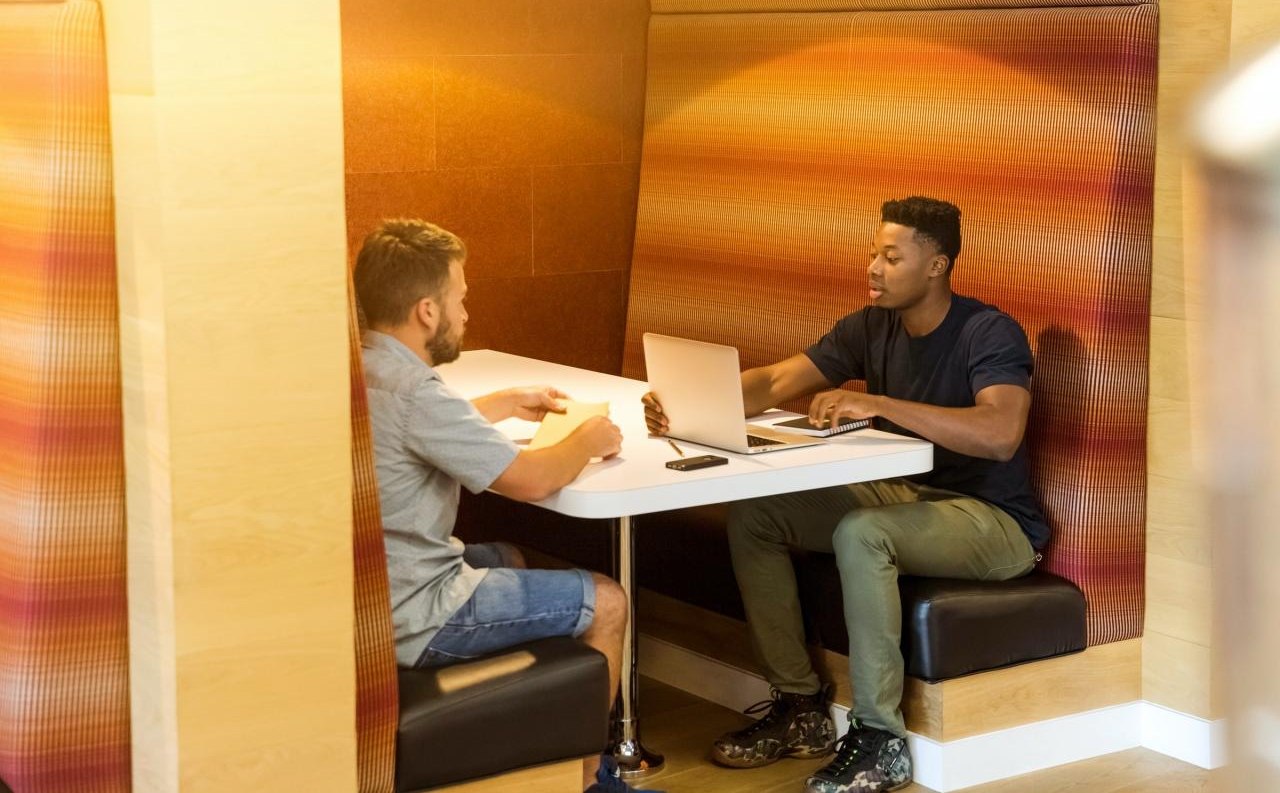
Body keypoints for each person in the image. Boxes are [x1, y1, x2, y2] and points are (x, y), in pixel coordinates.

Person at [642, 196, 1050, 793]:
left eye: (891, 256)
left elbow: (999, 433)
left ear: (936, 265)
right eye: (873, 253)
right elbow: (779, 379)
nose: (873, 268)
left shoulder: (987, 332)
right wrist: (689, 400)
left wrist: (880, 404)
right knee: (759, 516)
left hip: (992, 521)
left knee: (862, 533)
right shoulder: (872, 325)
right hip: (906, 492)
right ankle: (802, 707)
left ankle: (881, 740)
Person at [355, 219, 656, 793]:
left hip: (371, 595)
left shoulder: (363, 369)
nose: (465, 314)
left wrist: (504, 403)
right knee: (608, 601)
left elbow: (420, 425)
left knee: (509, 555)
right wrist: (588, 438)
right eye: (459, 300)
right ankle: (593, 780)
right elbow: (533, 480)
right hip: (417, 611)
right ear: (426, 311)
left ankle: (530, 746)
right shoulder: (418, 392)